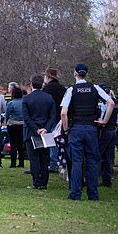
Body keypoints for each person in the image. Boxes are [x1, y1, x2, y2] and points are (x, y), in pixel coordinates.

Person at [60, 64, 115, 200]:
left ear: (75, 74)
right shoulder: (95, 88)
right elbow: (111, 103)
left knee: (77, 161)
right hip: (91, 128)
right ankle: (93, 194)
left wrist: (66, 129)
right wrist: (104, 121)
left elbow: (64, 112)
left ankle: (75, 194)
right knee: (92, 160)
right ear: (86, 74)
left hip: (76, 128)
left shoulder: (71, 90)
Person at [22, 74, 57, 190]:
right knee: (44, 158)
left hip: (31, 132)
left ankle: (36, 181)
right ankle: (44, 182)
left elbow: (26, 118)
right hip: (45, 131)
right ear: (43, 84)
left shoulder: (27, 99)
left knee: (34, 159)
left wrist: (36, 129)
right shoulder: (49, 98)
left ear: (31, 85)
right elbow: (52, 116)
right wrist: (45, 128)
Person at [43, 67, 66, 172]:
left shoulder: (47, 89)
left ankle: (52, 164)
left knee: (49, 141)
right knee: (58, 140)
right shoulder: (62, 88)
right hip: (60, 118)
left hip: (50, 118)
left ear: (48, 77)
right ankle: (58, 162)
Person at [97, 83, 116, 187]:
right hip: (113, 130)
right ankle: (107, 181)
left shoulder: (105, 103)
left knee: (97, 155)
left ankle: (93, 178)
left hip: (105, 131)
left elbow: (101, 117)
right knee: (108, 157)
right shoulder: (115, 101)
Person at [5, 84, 25, 168]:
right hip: (22, 124)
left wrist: (6, 122)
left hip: (13, 124)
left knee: (13, 144)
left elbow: (7, 114)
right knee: (21, 144)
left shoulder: (11, 103)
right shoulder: (24, 102)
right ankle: (21, 162)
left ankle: (13, 163)